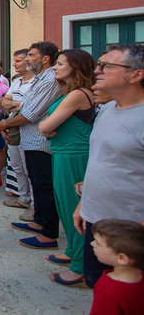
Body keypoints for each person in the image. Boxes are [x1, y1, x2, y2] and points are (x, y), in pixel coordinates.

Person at [74, 44, 144, 288]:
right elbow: (99, 160)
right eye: (98, 64)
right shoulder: (107, 110)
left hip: (130, 230)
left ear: (136, 75)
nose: (97, 70)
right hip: (97, 220)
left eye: (106, 66)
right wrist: (84, 204)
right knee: (99, 284)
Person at [38, 49, 95, 287]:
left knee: (75, 208)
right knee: (64, 205)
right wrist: (48, 128)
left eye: (60, 63)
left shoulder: (78, 94)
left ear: (75, 67)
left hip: (74, 156)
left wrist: (46, 128)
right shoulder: (69, 93)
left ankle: (80, 267)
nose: (54, 67)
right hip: (63, 153)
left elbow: (45, 126)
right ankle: (73, 250)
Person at [0, 41, 61, 250]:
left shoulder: (50, 78)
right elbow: (24, 105)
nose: (27, 60)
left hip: (40, 141)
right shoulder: (40, 78)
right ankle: (39, 220)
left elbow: (30, 112)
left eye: (31, 55)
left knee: (44, 185)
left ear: (45, 59)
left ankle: (49, 233)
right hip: (31, 140)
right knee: (36, 180)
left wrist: (6, 122)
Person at [0, 49, 35, 215]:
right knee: (17, 165)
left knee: (30, 168)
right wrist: (16, 104)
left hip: (30, 129)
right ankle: (24, 197)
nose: (14, 64)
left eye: (18, 61)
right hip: (14, 127)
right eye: (14, 61)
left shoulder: (36, 82)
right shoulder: (17, 81)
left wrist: (13, 104)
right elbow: (4, 102)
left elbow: (31, 107)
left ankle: (35, 204)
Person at [89, 219, 144, 315]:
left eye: (98, 243)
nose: (92, 243)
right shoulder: (140, 277)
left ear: (121, 258)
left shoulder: (108, 291)